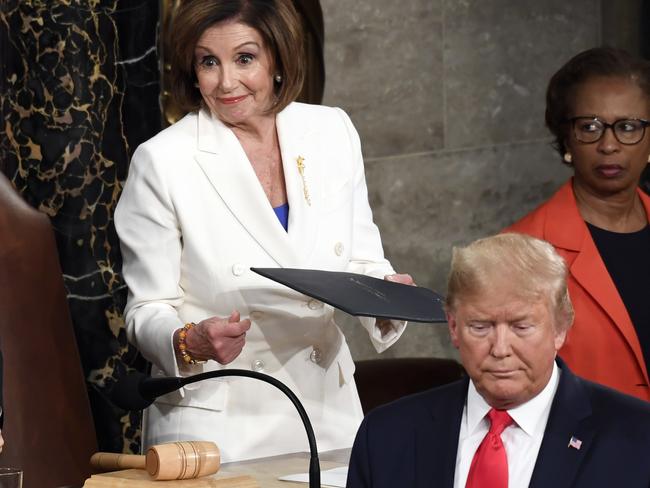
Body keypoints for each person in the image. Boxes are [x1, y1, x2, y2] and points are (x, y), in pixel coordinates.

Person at [114, 0, 413, 462]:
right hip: (222, 421)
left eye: (245, 58)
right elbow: (147, 309)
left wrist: (386, 296)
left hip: (327, 412)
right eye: (208, 61)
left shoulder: (332, 130)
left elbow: (361, 260)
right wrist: (189, 340)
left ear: (278, 58)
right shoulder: (163, 161)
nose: (226, 81)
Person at [347, 233, 650, 488]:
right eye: (480, 327)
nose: (500, 349)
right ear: (453, 326)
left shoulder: (637, 437)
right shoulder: (387, 436)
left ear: (560, 328)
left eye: (521, 327)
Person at [505, 47, 650, 401]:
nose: (609, 144)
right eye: (590, 127)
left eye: (628, 127)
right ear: (566, 139)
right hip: (589, 449)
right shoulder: (521, 251)